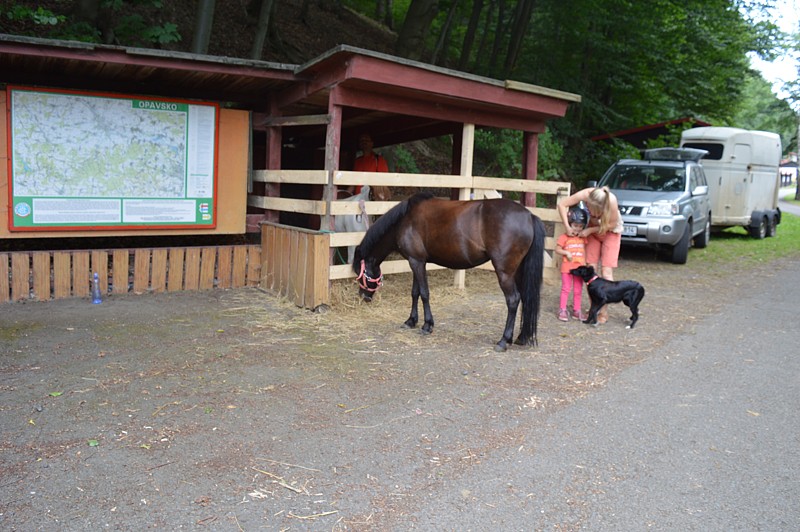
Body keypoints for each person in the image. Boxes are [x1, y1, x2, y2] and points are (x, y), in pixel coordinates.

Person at [557, 186, 623, 324]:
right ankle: (594, 309)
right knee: (590, 271)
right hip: (593, 234)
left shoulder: (611, 201)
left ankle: (603, 312)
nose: (592, 213)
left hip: (610, 233)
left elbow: (612, 224)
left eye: (596, 212)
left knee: (606, 272)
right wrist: (568, 227)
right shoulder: (585, 194)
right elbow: (562, 204)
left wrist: (591, 229)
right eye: (590, 209)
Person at [555, 207, 589, 321]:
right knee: (566, 288)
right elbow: (557, 249)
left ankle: (576, 310)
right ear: (569, 224)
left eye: (580, 226)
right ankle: (562, 309)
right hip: (567, 268)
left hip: (580, 268)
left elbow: (586, 249)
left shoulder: (583, 238)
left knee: (578, 290)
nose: (578, 229)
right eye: (575, 225)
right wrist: (566, 252)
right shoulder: (564, 237)